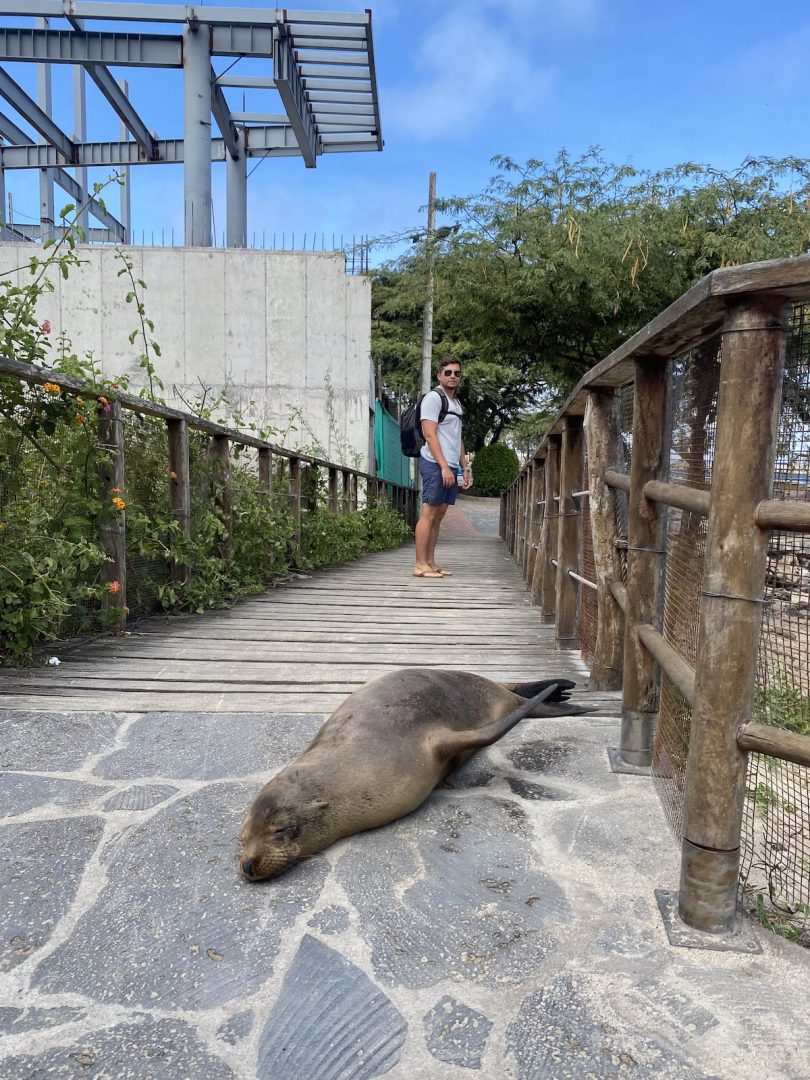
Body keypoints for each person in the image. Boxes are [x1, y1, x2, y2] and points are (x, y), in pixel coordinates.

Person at [413, 358, 472, 578]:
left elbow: (457, 438)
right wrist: (444, 467)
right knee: (428, 513)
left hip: (451, 465)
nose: (453, 376)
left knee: (439, 514)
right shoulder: (433, 398)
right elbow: (429, 434)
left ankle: (430, 562)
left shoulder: (455, 404)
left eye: (457, 373)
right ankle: (420, 565)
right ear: (439, 375)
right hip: (434, 463)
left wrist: (464, 467)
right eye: (448, 372)